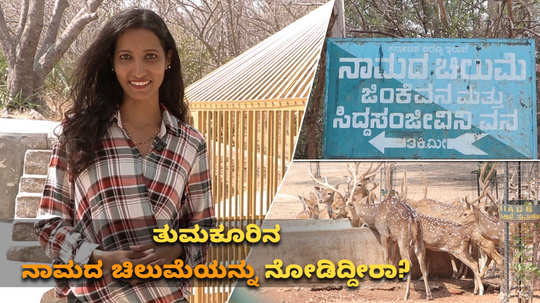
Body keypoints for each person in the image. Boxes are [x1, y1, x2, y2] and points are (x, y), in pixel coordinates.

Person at [34, 8, 215, 303]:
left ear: (168, 59)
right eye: (126, 57)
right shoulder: (78, 135)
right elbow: (49, 224)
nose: (139, 71)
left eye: (151, 57)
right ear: (112, 63)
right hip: (93, 295)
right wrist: (99, 258)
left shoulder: (190, 143)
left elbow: (203, 230)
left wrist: (175, 250)